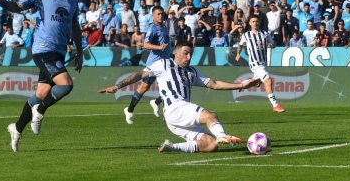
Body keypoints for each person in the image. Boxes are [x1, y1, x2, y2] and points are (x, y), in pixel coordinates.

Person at [98, 41, 261, 153]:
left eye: (190, 54)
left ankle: (172, 147)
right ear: (176, 53)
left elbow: (215, 84)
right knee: (210, 116)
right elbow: (140, 74)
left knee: (210, 145)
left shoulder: (192, 71)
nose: (189, 57)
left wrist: (242, 85)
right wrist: (118, 86)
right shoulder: (164, 64)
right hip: (175, 107)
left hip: (174, 119)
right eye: (185, 53)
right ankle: (223, 136)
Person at [0, 0, 83, 152]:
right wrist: (1, 2)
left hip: (58, 52)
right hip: (43, 49)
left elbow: (75, 27)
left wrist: (80, 51)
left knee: (40, 94)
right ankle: (40, 111)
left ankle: (17, 128)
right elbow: (17, 6)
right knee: (65, 85)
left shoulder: (72, 2)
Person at [123, 5, 170, 124]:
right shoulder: (153, 28)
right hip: (154, 64)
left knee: (170, 86)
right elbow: (146, 45)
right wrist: (159, 47)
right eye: (158, 14)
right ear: (153, 16)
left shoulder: (163, 27)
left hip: (164, 63)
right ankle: (129, 110)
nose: (160, 16)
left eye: (162, 14)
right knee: (144, 87)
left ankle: (161, 108)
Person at [235, 15, 285, 113]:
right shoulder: (246, 35)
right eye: (253, 21)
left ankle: (242, 84)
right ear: (250, 23)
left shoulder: (265, 34)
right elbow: (240, 45)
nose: (255, 23)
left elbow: (273, 44)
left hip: (263, 63)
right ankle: (275, 105)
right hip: (255, 63)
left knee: (256, 83)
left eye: (256, 21)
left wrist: (272, 45)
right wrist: (238, 54)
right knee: (268, 81)